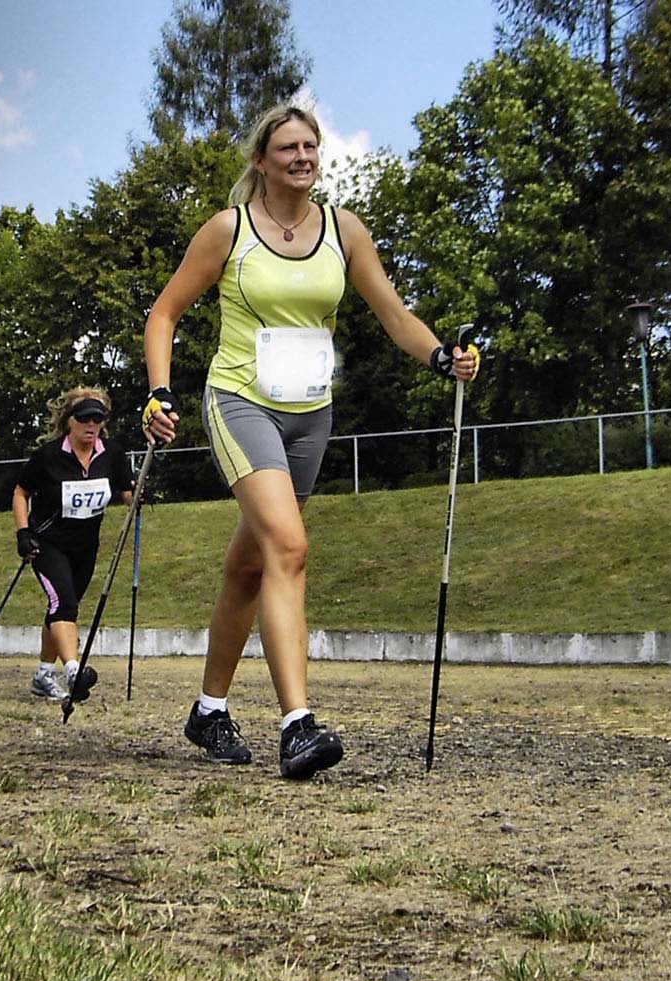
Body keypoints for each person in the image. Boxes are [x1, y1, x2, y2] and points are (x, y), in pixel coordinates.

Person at [141, 103, 480, 779]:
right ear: (261, 161)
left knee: (252, 565)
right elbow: (164, 312)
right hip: (240, 402)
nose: (301, 157)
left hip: (309, 414)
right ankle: (298, 726)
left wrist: (442, 356)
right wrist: (159, 391)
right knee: (290, 548)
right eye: (287, 147)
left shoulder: (343, 230)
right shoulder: (228, 230)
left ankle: (209, 710)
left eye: (309, 147)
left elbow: (392, 313)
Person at [12, 388, 135, 702]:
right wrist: (23, 533)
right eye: (84, 418)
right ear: (70, 421)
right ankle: (73, 672)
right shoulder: (49, 456)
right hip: (47, 543)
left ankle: (43, 675)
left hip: (85, 547)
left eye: (98, 419)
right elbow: (21, 493)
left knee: (61, 608)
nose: (91, 425)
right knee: (64, 604)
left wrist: (139, 495)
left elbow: (126, 490)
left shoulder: (112, 454)